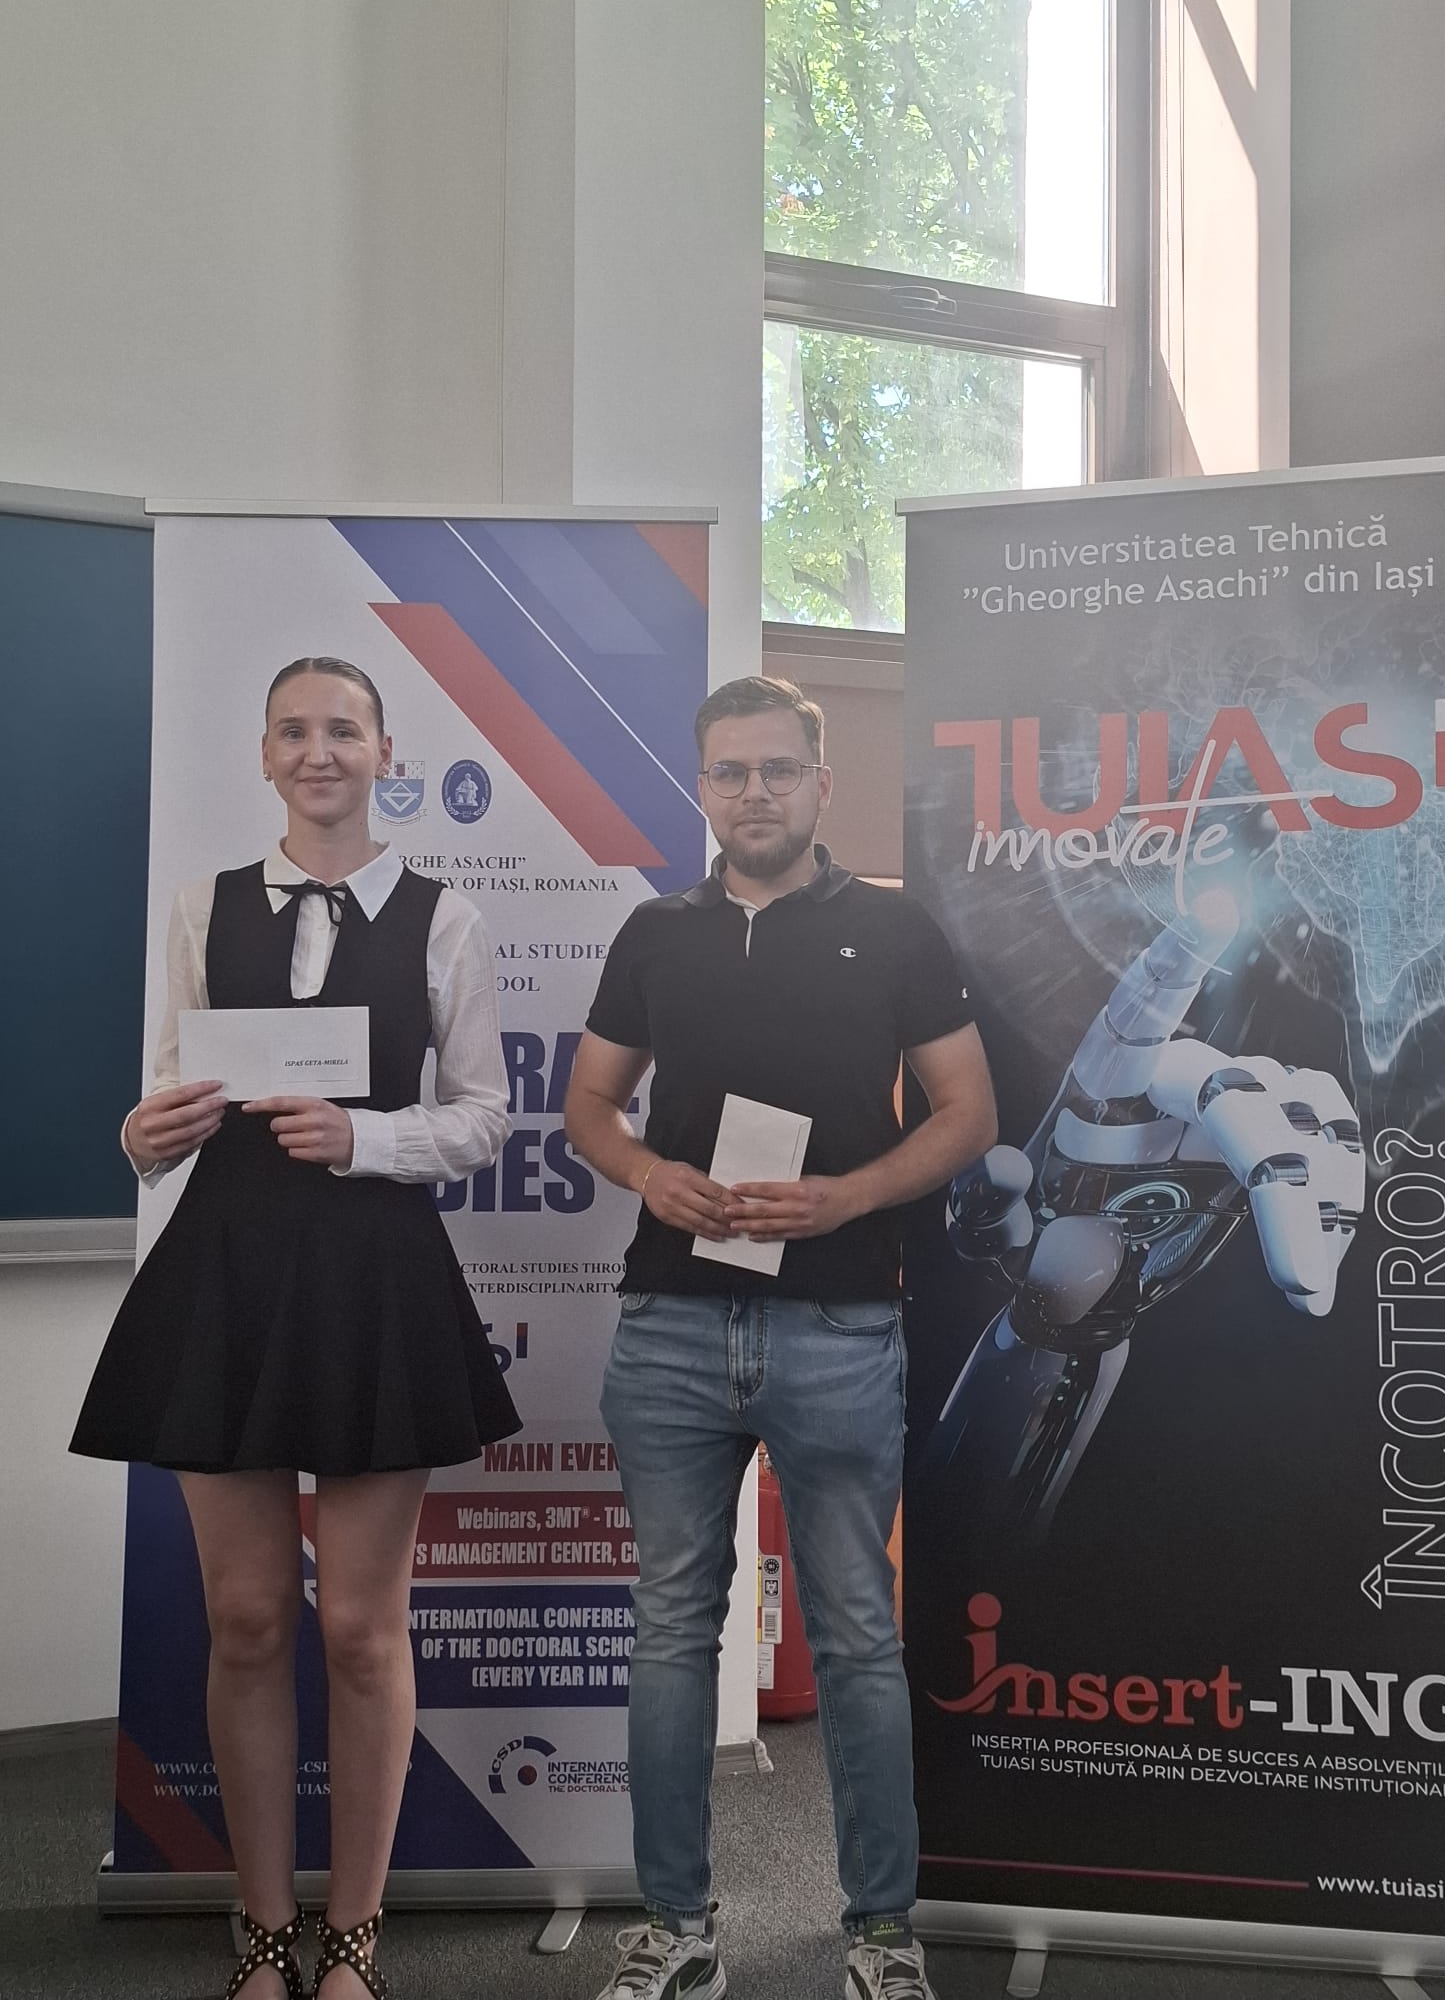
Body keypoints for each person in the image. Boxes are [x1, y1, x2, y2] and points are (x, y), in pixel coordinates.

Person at [71, 657, 519, 2000]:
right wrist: (144, 1133)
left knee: (363, 1630)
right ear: (264, 755)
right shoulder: (199, 907)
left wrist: (364, 1137)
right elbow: (166, 1104)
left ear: (387, 754)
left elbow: (485, 1115)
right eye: (294, 732)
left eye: (344, 730)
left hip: (378, 1282)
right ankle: (263, 1930)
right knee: (251, 1616)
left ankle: (354, 1938)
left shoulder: (445, 916)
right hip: (228, 1278)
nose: (319, 752)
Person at [566, 675, 997, 2000]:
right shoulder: (654, 933)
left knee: (857, 1633)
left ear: (820, 782)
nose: (752, 792)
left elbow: (967, 1113)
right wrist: (649, 1175)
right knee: (669, 1631)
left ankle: (880, 1932)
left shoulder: (895, 929)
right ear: (702, 785)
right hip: (671, 1330)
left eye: (776, 769)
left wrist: (847, 1198)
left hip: (840, 1324)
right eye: (729, 771)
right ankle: (675, 1926)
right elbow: (589, 1107)